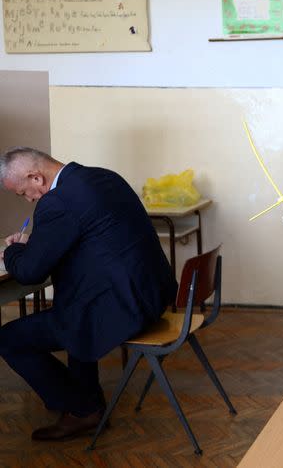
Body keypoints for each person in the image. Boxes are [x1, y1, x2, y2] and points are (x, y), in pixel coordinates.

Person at [0, 148, 177, 440]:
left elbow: (30, 272)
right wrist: (40, 243)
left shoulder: (57, 202)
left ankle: (82, 409)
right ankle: (84, 400)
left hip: (122, 307)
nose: (29, 199)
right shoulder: (103, 177)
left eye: (23, 193)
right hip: (152, 293)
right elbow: (90, 234)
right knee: (74, 306)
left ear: (36, 177)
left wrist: (16, 250)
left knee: (9, 339)